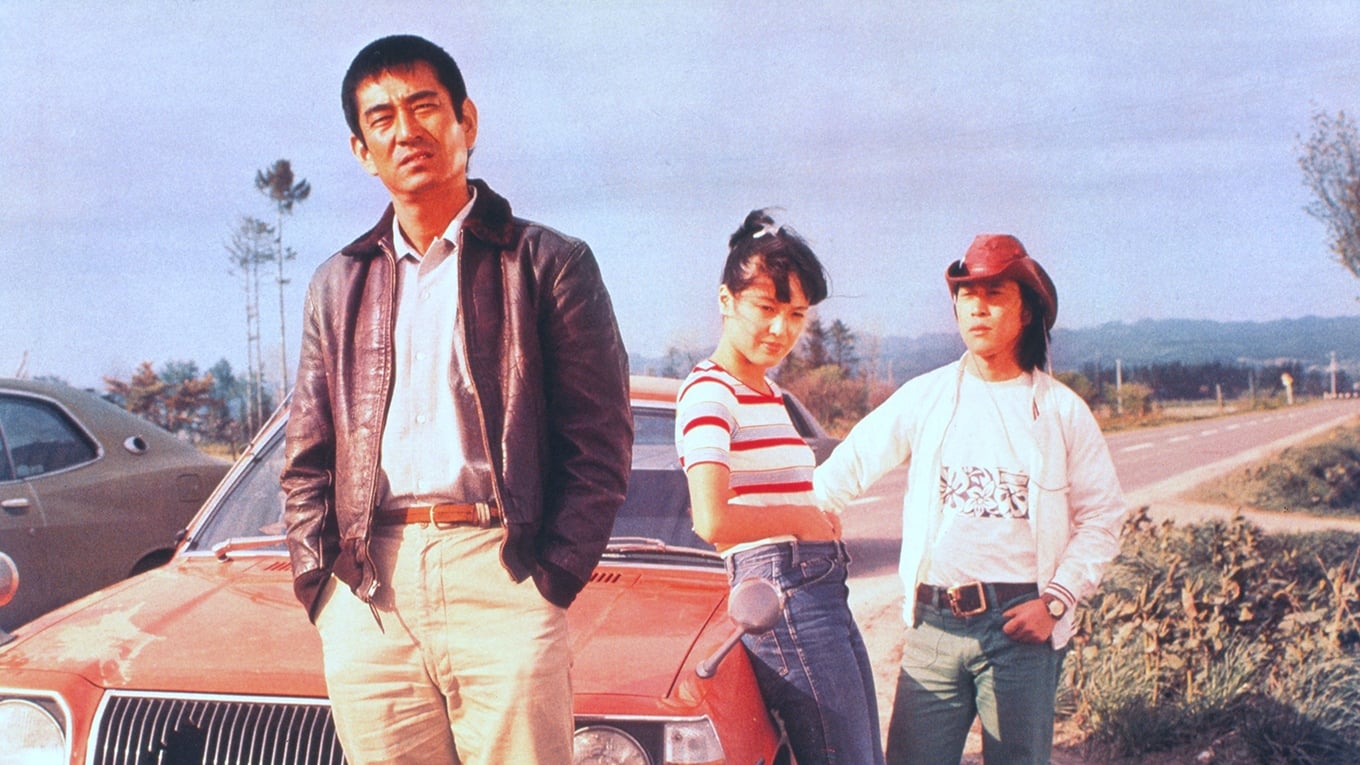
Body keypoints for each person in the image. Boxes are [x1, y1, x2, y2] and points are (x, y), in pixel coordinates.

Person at [280, 34, 632, 765]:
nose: (406, 130)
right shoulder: (337, 285)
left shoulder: (548, 264)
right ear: (362, 151)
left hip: (503, 570)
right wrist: (322, 589)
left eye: (424, 107)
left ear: (466, 121)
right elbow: (307, 455)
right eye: (382, 119)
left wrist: (551, 578)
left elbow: (598, 443)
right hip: (369, 590)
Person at [814, 234, 1127, 764]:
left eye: (995, 294)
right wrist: (800, 521)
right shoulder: (926, 396)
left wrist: (1055, 602)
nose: (977, 307)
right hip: (934, 625)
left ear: (1026, 311)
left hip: (1021, 627)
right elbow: (844, 470)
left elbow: (1103, 518)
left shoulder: (1061, 411)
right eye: (966, 295)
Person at [675, 209, 885, 765]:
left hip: (816, 587)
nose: (781, 330)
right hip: (782, 592)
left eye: (796, 315)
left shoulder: (766, 393)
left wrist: (812, 516)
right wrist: (800, 520)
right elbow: (712, 520)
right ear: (726, 300)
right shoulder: (710, 392)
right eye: (766, 308)